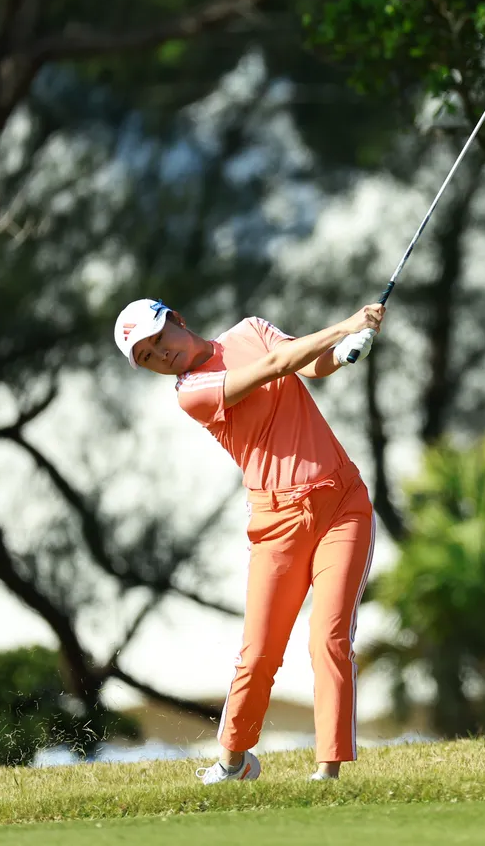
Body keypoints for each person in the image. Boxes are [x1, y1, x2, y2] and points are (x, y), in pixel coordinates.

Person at [112, 297, 385, 784]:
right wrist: (345, 325)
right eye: (148, 357)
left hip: (341, 505)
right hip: (277, 523)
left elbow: (308, 364)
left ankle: (328, 772)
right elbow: (275, 366)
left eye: (159, 339)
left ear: (178, 320)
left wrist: (343, 353)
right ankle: (233, 761)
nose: (162, 355)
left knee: (330, 636)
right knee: (259, 652)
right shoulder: (191, 392)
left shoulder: (251, 330)